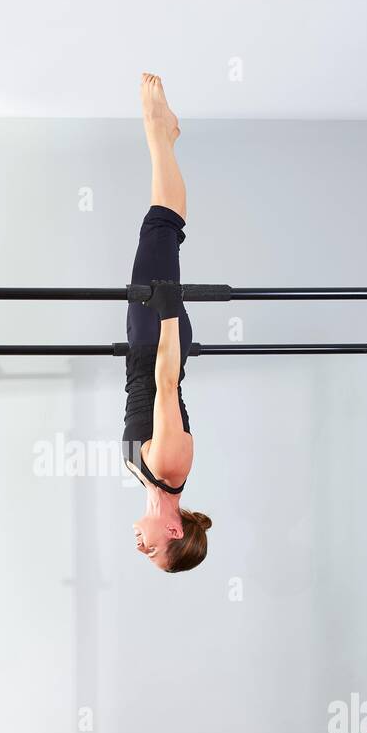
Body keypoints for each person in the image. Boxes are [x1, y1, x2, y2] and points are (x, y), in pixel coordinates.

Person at [123, 74, 212, 573]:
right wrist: (169, 308)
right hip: (158, 338)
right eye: (154, 549)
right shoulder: (170, 466)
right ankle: (161, 133)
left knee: (162, 233)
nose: (142, 548)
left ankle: (162, 135)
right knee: (160, 230)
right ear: (174, 531)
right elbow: (165, 381)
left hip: (148, 341)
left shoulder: (152, 480)